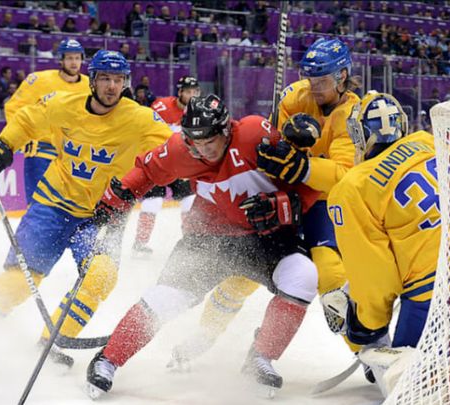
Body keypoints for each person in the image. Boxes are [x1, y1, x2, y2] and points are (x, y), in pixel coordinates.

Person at [85, 94, 320, 398]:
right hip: (208, 238)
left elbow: (305, 179)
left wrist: (286, 205)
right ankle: (107, 359)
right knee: (165, 298)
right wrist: (118, 197)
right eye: (196, 142)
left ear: (226, 129)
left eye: (210, 141)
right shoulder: (182, 149)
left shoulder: (253, 133)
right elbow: (147, 170)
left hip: (267, 238)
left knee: (302, 276)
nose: (204, 150)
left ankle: (261, 358)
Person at [169, 38, 363, 372]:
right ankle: (204, 336)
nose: (314, 86)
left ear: (342, 76)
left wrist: (302, 166)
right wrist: (278, 147)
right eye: (311, 79)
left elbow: (344, 176)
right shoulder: (294, 96)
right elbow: (270, 141)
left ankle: (364, 348)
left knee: (329, 274)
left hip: (322, 204)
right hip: (280, 194)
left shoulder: (354, 115)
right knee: (241, 274)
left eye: (322, 80)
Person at [0, 50, 172, 367]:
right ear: (92, 81)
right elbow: (27, 120)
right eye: (105, 78)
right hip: (51, 206)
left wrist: (184, 173)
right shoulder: (64, 104)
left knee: (101, 276)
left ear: (126, 83)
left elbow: (174, 147)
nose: (111, 86)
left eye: (118, 80)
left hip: (101, 215)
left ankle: (51, 343)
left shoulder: (140, 118)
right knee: (21, 282)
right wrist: (2, 146)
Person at [327, 92, 450, 395]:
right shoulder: (428, 141)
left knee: (410, 390)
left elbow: (373, 272)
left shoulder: (353, 186)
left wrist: (366, 326)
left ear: (362, 135)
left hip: (435, 300)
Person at [4, 39, 90, 204]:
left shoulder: (90, 86)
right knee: (38, 204)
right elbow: (14, 107)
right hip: (42, 151)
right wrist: (23, 137)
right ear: (61, 60)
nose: (74, 62)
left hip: (74, 155)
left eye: (77, 58)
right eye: (69, 58)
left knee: (70, 207)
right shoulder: (38, 80)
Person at [131, 75, 201, 256]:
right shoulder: (161, 107)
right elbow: (145, 128)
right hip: (158, 162)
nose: (192, 96)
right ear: (180, 92)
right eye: (188, 92)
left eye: (195, 92)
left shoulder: (198, 113)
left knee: (189, 202)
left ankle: (190, 243)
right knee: (152, 203)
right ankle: (139, 244)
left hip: (181, 165)